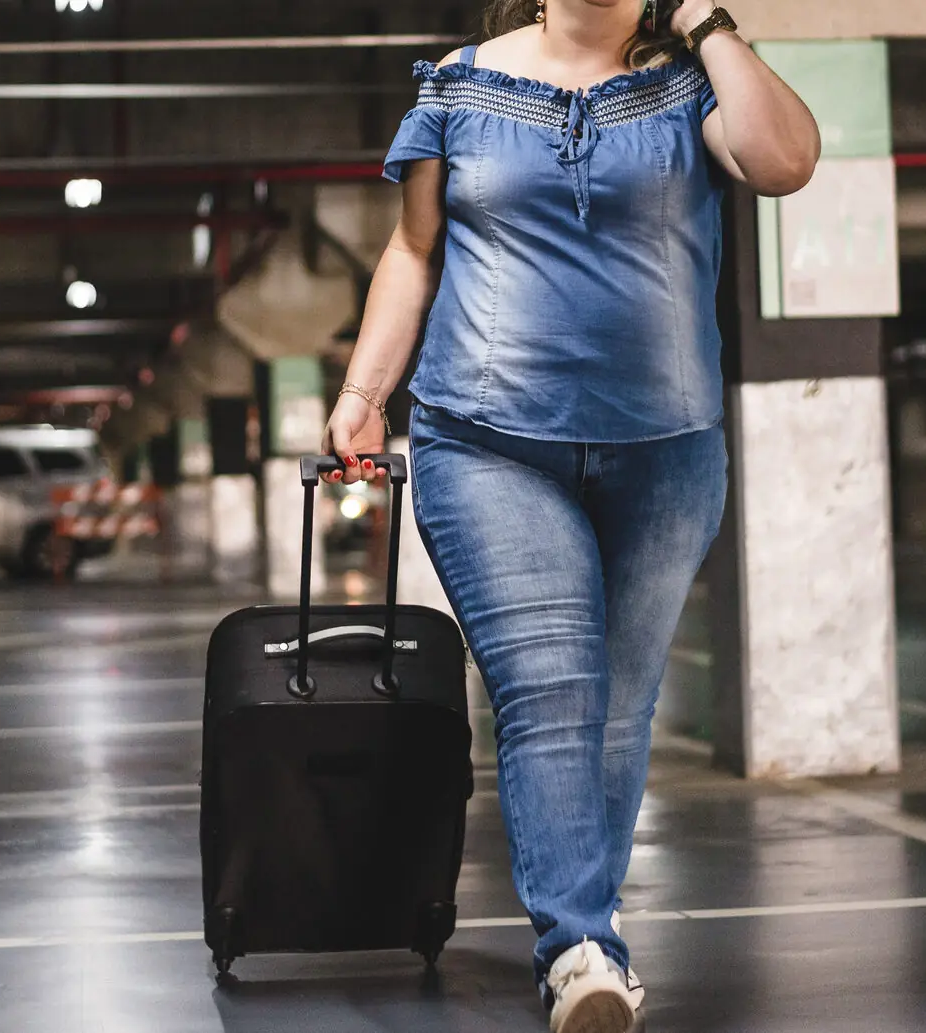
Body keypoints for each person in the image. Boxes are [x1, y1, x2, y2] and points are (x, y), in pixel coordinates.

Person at [320, 1, 819, 1030]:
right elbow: (414, 251)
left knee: (620, 710)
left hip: (667, 449)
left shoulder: (689, 86)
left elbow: (783, 164)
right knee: (553, 689)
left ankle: (586, 923)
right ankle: (581, 947)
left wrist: (709, 23)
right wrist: (365, 392)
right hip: (489, 441)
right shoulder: (457, 86)